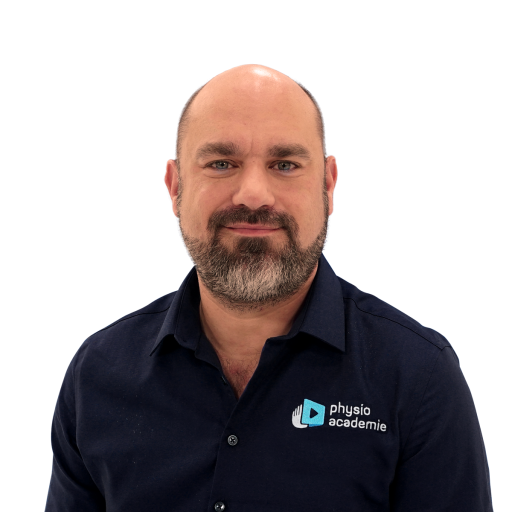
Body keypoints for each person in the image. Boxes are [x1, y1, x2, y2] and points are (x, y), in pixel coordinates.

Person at [45, 64, 493, 511]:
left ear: (329, 184)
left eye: (284, 165)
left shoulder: (419, 377)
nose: (254, 194)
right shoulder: (96, 373)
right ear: (175, 186)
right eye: (222, 164)